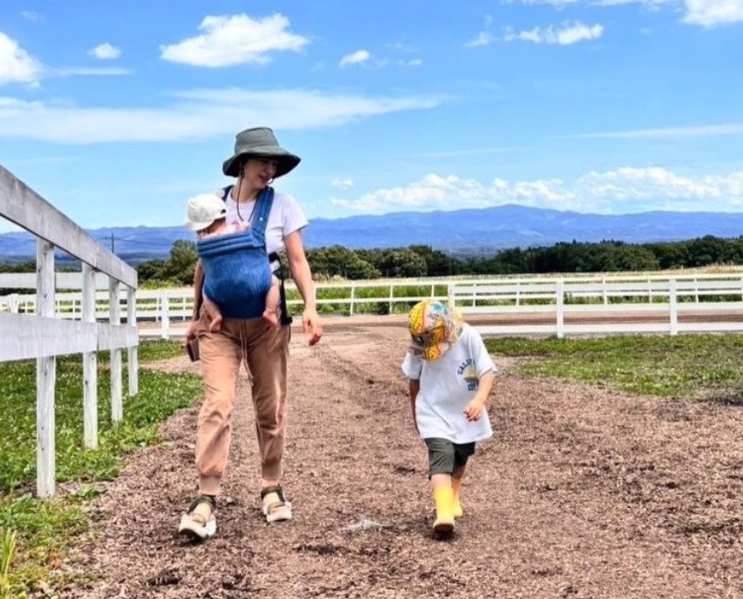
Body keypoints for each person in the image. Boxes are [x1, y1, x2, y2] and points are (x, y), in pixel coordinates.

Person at [179, 127, 323, 541]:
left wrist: (311, 308)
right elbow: (204, 267)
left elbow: (297, 260)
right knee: (217, 405)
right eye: (263, 160)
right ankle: (206, 498)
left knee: (270, 406)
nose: (270, 168)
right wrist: (195, 317)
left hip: (266, 325)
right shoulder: (213, 206)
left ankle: (271, 487)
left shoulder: (283, 206)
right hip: (218, 326)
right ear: (242, 163)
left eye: (274, 162)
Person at [401, 299, 496, 537]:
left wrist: (479, 400)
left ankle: (453, 495)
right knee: (441, 454)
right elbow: (414, 381)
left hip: (464, 411)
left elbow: (487, 372)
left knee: (462, 454)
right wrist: (417, 415)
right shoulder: (419, 348)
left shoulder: (469, 337)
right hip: (432, 411)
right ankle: (443, 513)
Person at [184, 193, 281, 329]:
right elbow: (247, 227)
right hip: (252, 282)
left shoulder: (204, 239)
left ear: (202, 227)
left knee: (206, 293)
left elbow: (202, 266)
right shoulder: (236, 228)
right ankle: (269, 311)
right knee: (274, 282)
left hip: (218, 290)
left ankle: (216, 315)